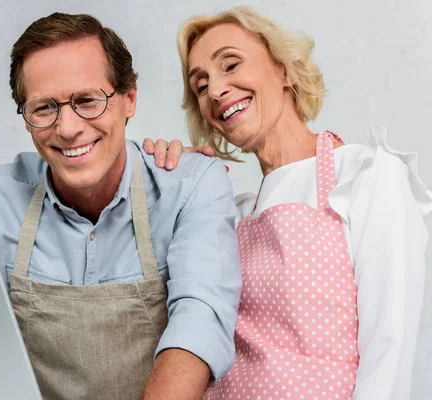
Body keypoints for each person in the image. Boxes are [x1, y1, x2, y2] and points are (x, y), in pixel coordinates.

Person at [0, 12, 243, 400]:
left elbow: (198, 323)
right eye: (44, 108)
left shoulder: (190, 186)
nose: (69, 128)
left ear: (129, 99)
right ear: (26, 120)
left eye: (87, 100)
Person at [144, 6, 431, 400]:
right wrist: (175, 185)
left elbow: (389, 353)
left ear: (283, 68)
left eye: (230, 64)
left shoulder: (366, 175)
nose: (214, 90)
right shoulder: (234, 214)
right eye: (200, 85)